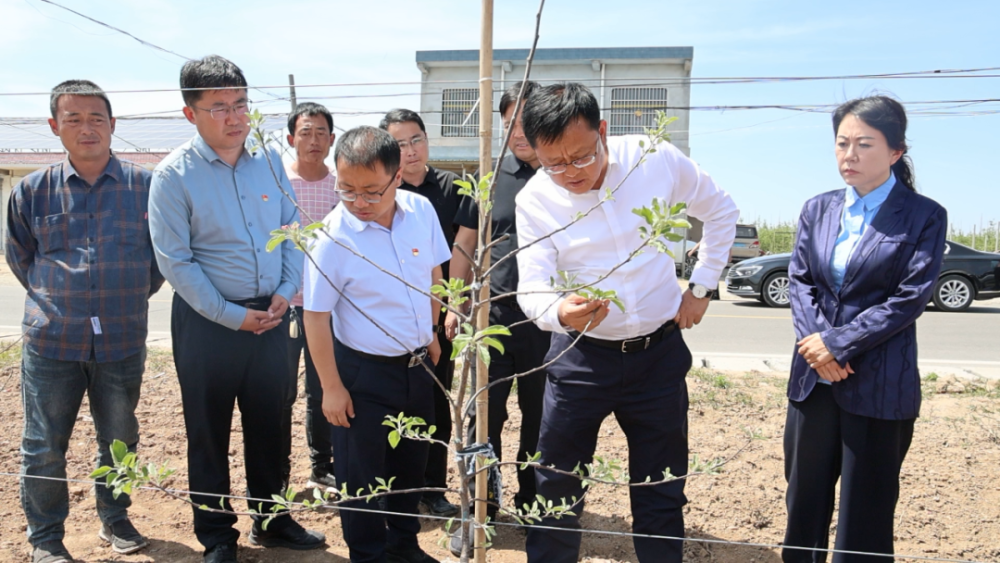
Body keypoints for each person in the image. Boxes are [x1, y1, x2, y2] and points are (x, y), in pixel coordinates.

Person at [514, 83, 739, 563]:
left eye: (580, 157)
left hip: (656, 357)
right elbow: (530, 285)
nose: (569, 174)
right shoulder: (535, 200)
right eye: (553, 163)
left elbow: (720, 211)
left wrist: (701, 287)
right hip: (580, 357)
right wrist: (558, 312)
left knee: (660, 487)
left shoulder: (651, 158)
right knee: (556, 486)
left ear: (603, 131)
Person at [149, 55, 324, 563]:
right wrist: (232, 315)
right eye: (220, 107)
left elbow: (292, 229)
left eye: (242, 104)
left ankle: (272, 520)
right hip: (209, 325)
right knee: (208, 430)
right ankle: (218, 537)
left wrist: (286, 288)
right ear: (191, 114)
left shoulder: (269, 158)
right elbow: (176, 263)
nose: (235, 117)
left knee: (271, 423)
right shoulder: (173, 176)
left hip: (272, 317)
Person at [782, 95, 947, 562]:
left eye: (864, 144)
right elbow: (800, 282)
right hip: (814, 382)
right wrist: (819, 351)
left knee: (866, 514)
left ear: (896, 151)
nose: (849, 155)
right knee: (804, 503)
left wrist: (837, 344)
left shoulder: (923, 215)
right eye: (841, 143)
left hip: (879, 385)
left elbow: (909, 297)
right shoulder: (818, 209)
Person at [6, 79, 164, 563]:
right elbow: (20, 257)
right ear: (55, 127)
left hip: (121, 338)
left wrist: (126, 298)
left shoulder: (147, 187)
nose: (86, 127)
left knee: (119, 438)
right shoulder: (31, 190)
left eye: (96, 118)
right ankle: (46, 538)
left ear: (113, 125)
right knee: (43, 445)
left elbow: (160, 262)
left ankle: (114, 519)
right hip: (52, 340)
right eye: (72, 119)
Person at [302, 125, 446, 563]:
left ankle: (404, 545)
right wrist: (330, 386)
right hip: (362, 373)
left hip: (417, 367)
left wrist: (433, 331)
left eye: (370, 191)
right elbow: (315, 315)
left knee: (410, 464)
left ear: (397, 177)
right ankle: (367, 553)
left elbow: (435, 277)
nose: (358, 203)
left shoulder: (421, 212)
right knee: (360, 474)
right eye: (347, 190)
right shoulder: (332, 237)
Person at [448, 81, 548, 522]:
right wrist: (457, 302)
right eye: (510, 124)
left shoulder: (563, 173)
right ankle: (480, 510)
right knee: (484, 417)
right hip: (496, 316)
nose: (519, 132)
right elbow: (465, 246)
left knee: (543, 419)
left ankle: (534, 504)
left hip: (549, 322)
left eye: (527, 122)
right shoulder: (489, 180)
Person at [379, 109, 464, 518]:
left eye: (416, 140)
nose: (410, 151)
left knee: (434, 401)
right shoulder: (379, 191)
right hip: (388, 318)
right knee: (387, 402)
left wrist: (452, 305)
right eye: (398, 144)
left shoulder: (452, 188)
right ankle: (392, 489)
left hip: (436, 316)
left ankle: (432, 488)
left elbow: (461, 255)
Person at [280, 102, 339, 493]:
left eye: (321, 133)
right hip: (284, 306)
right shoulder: (277, 185)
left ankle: (321, 466)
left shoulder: (341, 186)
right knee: (279, 390)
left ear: (333, 140)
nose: (314, 140)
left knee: (324, 388)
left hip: (327, 309)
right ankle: (277, 473)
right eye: (306, 132)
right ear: (290, 139)